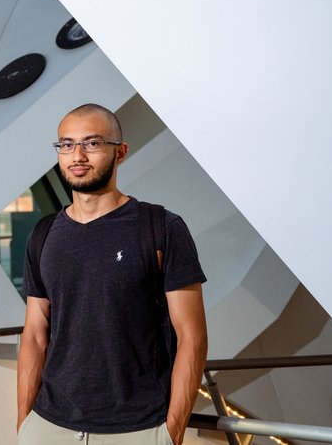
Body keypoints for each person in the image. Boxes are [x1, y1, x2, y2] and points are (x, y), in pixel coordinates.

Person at [16, 104, 208, 444]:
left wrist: (171, 432)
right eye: (66, 144)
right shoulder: (43, 235)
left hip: (137, 428)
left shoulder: (161, 227)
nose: (77, 155)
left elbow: (191, 336)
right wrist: (25, 425)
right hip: (50, 425)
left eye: (91, 143)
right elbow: (34, 334)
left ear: (120, 152)